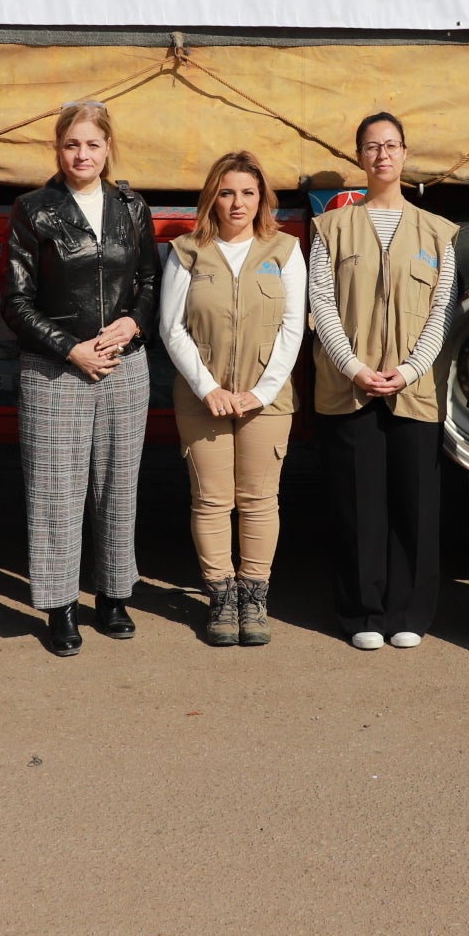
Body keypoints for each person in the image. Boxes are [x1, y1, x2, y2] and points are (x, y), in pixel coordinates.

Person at [1, 102, 160, 657]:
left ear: (108, 147)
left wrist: (134, 320)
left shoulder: (131, 207)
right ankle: (60, 604)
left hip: (123, 363)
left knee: (119, 484)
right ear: (58, 149)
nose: (82, 155)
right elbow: (15, 304)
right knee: (56, 489)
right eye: (72, 144)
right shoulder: (34, 210)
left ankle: (114, 594)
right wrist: (71, 348)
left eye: (93, 144)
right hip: (55, 368)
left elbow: (149, 279)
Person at [310, 112, 458, 650]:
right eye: (372, 147)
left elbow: (442, 310)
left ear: (404, 153)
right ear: (359, 156)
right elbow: (321, 301)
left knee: (415, 503)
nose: (382, 156)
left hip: (412, 387)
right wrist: (353, 367)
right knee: (357, 502)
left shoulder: (438, 231)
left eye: (391, 145)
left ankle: (409, 613)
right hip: (350, 384)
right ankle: (361, 614)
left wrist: (411, 369)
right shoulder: (330, 227)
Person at [160, 151, 306, 648]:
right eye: (227, 192)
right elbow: (171, 328)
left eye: (248, 192)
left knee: (260, 500)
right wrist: (210, 389)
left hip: (267, 399)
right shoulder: (187, 251)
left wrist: (259, 393)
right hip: (204, 398)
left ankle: (255, 596)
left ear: (262, 197)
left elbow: (293, 328)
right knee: (211, 500)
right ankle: (221, 598)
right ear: (212, 198)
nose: (237, 202)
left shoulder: (284, 249)